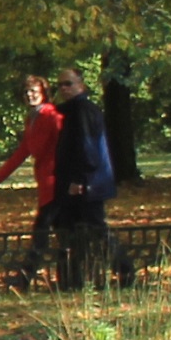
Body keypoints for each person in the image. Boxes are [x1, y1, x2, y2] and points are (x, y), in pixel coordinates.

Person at [0, 74, 65, 288]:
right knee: (62, 233)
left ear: (44, 93)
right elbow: (21, 153)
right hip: (47, 184)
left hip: (57, 183)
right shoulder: (33, 118)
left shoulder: (52, 116)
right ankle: (67, 277)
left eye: (34, 91)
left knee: (43, 231)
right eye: (27, 92)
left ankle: (25, 278)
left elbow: (64, 146)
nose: (30, 95)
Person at [47, 70, 119, 290]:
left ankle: (123, 271)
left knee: (95, 229)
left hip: (87, 185)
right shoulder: (68, 111)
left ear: (81, 85)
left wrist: (81, 180)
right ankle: (72, 279)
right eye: (59, 85)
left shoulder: (83, 111)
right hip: (75, 183)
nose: (64, 89)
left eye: (68, 84)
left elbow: (88, 149)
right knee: (70, 229)